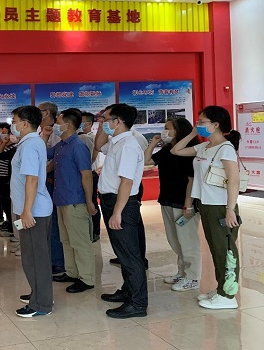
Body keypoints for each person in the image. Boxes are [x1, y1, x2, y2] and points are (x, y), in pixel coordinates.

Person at [171, 106, 242, 310]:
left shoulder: (225, 148)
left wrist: (230, 209)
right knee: (215, 248)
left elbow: (234, 181)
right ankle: (221, 289)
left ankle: (228, 295)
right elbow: (176, 150)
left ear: (216, 124)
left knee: (225, 250)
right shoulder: (204, 147)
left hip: (220, 206)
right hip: (206, 204)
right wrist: (193, 133)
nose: (198, 125)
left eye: (202, 122)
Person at [98, 104, 147, 318]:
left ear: (118, 121)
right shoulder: (116, 142)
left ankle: (138, 304)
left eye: (106, 119)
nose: (103, 123)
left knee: (130, 256)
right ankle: (128, 291)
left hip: (122, 204)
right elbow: (98, 145)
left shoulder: (128, 145)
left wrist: (117, 212)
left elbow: (127, 181)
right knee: (123, 253)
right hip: (112, 201)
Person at [145, 118, 201, 291]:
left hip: (183, 203)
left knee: (188, 241)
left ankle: (193, 277)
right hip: (167, 200)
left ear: (178, 130)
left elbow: (191, 180)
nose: (164, 131)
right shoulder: (167, 150)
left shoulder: (190, 151)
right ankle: (182, 272)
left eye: (167, 128)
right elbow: (147, 160)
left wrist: (188, 205)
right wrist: (153, 143)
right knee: (175, 240)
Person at [45, 109, 97, 292]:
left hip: (75, 201)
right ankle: (72, 272)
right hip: (61, 199)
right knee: (66, 240)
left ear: (68, 125)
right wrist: (45, 135)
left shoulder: (78, 146)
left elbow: (87, 176)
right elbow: (44, 153)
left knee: (80, 242)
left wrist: (89, 201)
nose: (55, 126)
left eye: (58, 122)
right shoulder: (61, 145)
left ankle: (87, 278)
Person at [10, 106, 54, 317]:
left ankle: (41, 304)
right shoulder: (31, 143)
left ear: (25, 124)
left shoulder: (29, 145)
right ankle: (38, 293)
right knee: (32, 257)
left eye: (14, 121)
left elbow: (32, 179)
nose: (13, 125)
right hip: (29, 209)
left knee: (36, 259)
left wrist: (27, 211)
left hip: (33, 211)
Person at [37, 101, 66, 276]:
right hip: (42, 181)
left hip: (51, 181)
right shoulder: (41, 131)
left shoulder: (56, 131)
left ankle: (58, 261)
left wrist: (43, 171)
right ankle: (50, 257)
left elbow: (56, 157)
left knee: (54, 223)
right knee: (46, 223)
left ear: (47, 113)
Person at [80, 111, 102, 242]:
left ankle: (95, 231)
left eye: (81, 122)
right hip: (82, 175)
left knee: (92, 203)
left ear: (88, 123)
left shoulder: (91, 138)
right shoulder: (80, 138)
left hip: (90, 174)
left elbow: (90, 159)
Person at [0, 124, 17, 236]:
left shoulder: (15, 147)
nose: (4, 135)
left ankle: (14, 229)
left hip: (9, 181)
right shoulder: (6, 146)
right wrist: (2, 144)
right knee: (6, 206)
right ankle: (11, 226)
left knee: (11, 206)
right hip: (2, 179)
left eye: (6, 133)